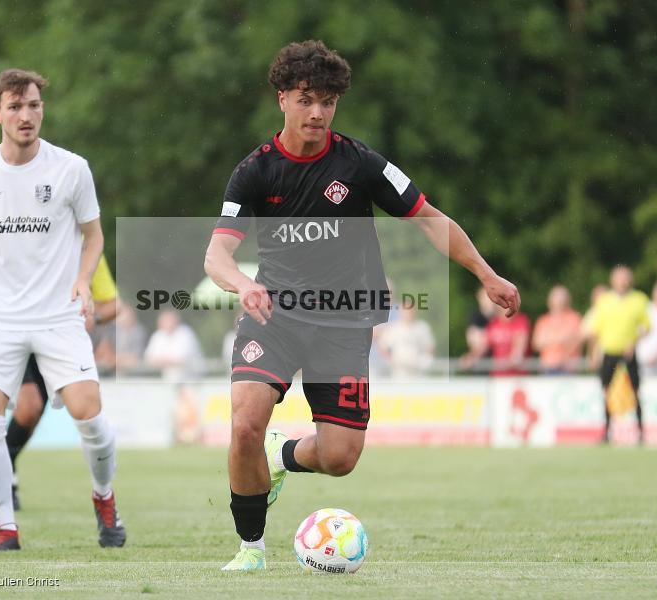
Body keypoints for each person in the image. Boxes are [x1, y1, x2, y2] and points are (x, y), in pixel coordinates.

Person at [204, 40, 520, 571]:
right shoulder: (254, 171)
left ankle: (283, 457)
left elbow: (428, 218)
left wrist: (486, 274)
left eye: (328, 101)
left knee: (339, 458)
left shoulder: (360, 163)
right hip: (274, 318)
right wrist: (242, 283)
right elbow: (217, 253)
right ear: (282, 99)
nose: (318, 112)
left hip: (345, 323)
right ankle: (251, 549)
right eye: (306, 99)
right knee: (243, 425)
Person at [0, 68, 125, 551]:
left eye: (34, 106)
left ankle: (104, 497)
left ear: (42, 110)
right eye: (17, 107)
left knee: (90, 417)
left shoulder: (71, 168)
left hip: (57, 317)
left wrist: (83, 282)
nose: (27, 115)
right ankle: (6, 528)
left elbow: (93, 235)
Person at [0, 254, 119, 512]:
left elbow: (114, 304)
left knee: (36, 412)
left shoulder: (88, 249)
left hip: (58, 338)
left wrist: (93, 315)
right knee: (28, 406)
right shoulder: (40, 225)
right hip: (11, 328)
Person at [587, 265, 650, 444]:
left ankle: (640, 432)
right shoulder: (604, 301)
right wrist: (593, 354)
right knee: (606, 391)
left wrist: (635, 341)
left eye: (626, 278)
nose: (623, 282)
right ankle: (607, 431)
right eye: (619, 278)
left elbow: (647, 326)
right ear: (613, 280)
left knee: (635, 391)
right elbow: (596, 331)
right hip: (609, 352)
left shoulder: (639, 299)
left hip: (629, 353)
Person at [532, 285, 582, 374]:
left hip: (567, 367)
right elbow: (536, 343)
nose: (559, 302)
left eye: (561, 299)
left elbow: (574, 341)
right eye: (556, 298)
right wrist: (559, 340)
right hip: (547, 366)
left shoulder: (573, 318)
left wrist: (549, 340)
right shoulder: (543, 320)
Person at [143, 309, 205, 380]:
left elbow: (180, 360)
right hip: (169, 379)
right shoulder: (158, 335)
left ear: (176, 320)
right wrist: (166, 361)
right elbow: (148, 358)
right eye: (164, 321)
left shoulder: (185, 333)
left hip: (193, 379)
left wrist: (161, 361)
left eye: (169, 320)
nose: (167, 323)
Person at [377, 302, 435, 378]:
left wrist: (426, 361)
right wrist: (391, 361)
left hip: (417, 372)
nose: (408, 313)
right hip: (399, 373)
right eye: (405, 311)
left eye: (410, 311)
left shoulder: (422, 328)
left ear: (414, 312)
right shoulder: (394, 328)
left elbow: (430, 346)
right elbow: (383, 346)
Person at [484, 304, 531, 376]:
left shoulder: (520, 321)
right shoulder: (493, 323)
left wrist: (513, 359)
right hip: (498, 375)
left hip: (517, 376)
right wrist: (472, 357)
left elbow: (518, 350)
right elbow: (484, 346)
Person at [459, 286, 496, 371]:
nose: (489, 301)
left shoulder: (501, 317)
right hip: (482, 366)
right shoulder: (475, 319)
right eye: (486, 297)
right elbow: (476, 344)